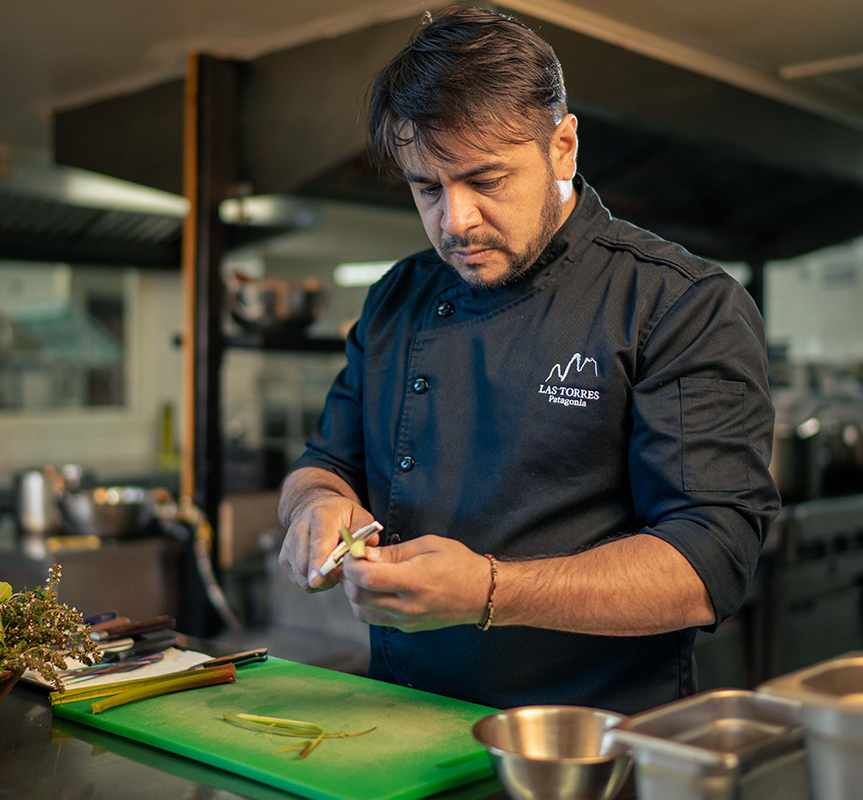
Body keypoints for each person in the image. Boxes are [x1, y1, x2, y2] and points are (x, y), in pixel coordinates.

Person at [277, 5, 779, 715]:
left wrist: (489, 591)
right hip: (401, 726)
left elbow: (708, 563)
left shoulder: (677, 302)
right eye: (427, 188)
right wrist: (316, 506)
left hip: (589, 749)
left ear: (563, 147)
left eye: (485, 181)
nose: (455, 221)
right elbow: (325, 461)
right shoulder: (397, 299)